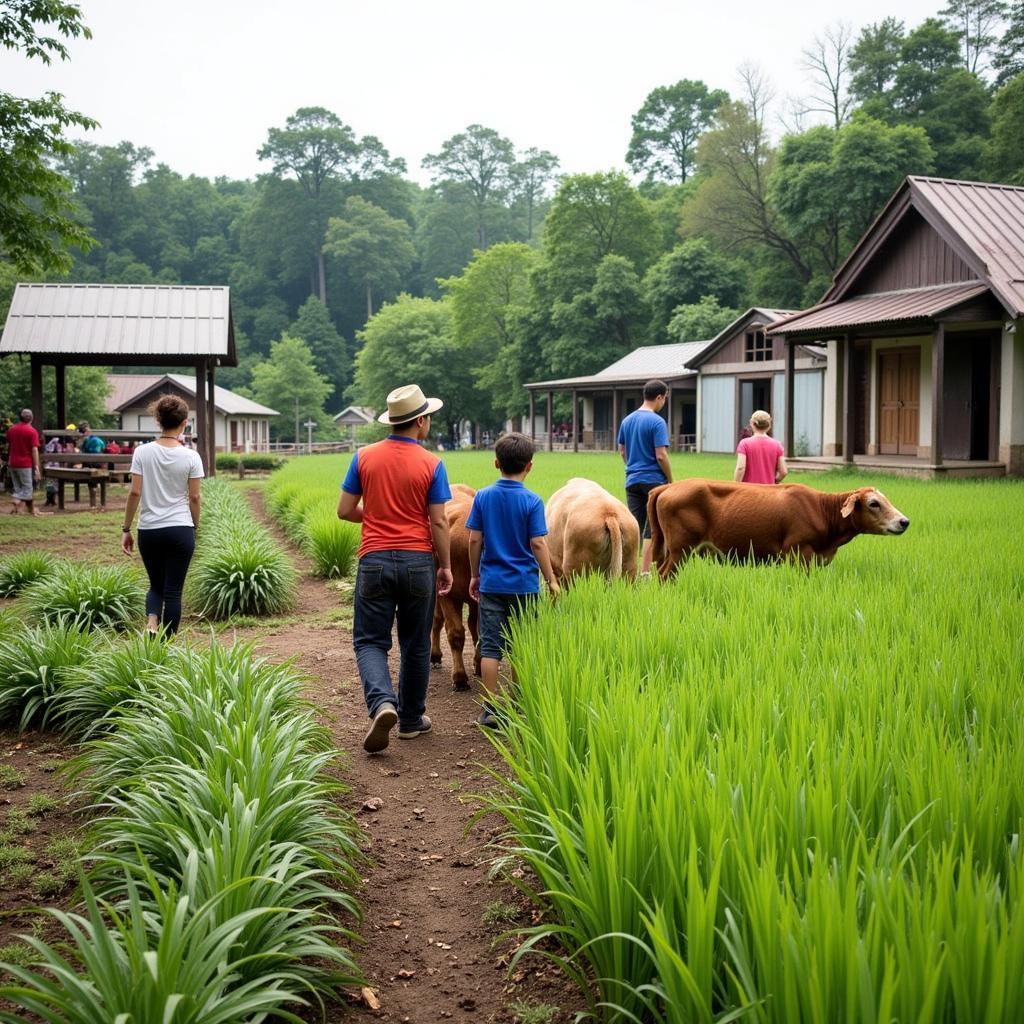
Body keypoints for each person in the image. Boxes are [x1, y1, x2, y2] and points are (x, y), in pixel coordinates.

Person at [337, 384, 453, 754]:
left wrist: (377, 515)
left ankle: (382, 704)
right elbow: (439, 523)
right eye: (428, 418)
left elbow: (344, 510)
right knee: (416, 643)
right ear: (420, 421)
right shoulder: (432, 463)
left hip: (374, 561)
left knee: (370, 641)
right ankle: (410, 720)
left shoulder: (364, 456)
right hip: (419, 562)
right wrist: (445, 565)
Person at [466, 433, 559, 730]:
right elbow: (539, 544)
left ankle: (490, 709)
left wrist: (475, 574)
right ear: (529, 466)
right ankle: (518, 701)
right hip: (525, 587)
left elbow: (475, 539)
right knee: (521, 644)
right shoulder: (532, 501)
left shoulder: (482, 496)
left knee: (491, 646)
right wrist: (552, 580)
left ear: (496, 463)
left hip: (492, 584)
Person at [120, 396, 204, 636]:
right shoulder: (191, 457)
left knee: (155, 584)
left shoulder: (142, 452)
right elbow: (195, 498)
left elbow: (135, 491)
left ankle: (151, 622)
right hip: (180, 528)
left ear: (158, 421)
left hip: (149, 529)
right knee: (174, 591)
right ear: (185, 423)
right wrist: (194, 526)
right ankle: (166, 647)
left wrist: (126, 529)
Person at [617, 380, 673, 574]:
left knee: (634, 527)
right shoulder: (657, 422)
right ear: (659, 397)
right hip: (654, 482)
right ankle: (645, 572)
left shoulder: (627, 420)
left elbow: (622, 451)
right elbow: (661, 455)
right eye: (664, 398)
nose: (664, 402)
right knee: (653, 529)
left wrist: (632, 467)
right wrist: (670, 479)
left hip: (632, 480)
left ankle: (626, 570)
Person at [6, 409, 44, 516]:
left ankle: (21, 510)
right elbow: (34, 450)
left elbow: (10, 445)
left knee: (18, 487)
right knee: (27, 489)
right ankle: (16, 500)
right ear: (32, 418)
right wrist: (37, 467)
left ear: (19, 417)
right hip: (25, 464)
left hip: (12, 462)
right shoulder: (32, 431)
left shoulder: (11, 430)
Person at [734, 410, 787, 485]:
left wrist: (736, 485)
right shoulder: (777, 445)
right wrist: (775, 481)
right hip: (768, 491)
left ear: (752, 423)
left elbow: (740, 468)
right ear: (769, 425)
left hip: (748, 491)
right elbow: (783, 471)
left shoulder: (744, 443)